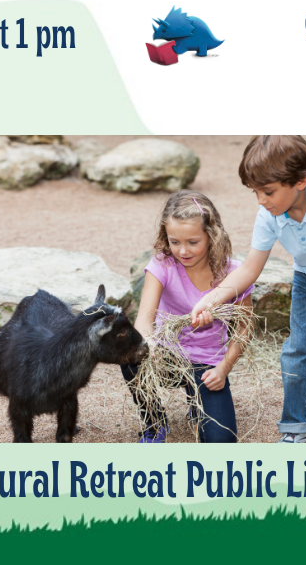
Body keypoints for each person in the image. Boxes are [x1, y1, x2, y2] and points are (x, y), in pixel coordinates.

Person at [191, 136, 306, 444]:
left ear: (300, 181)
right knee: (296, 352)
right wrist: (211, 298)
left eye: (267, 191)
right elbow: (250, 269)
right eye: (255, 192)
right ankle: (295, 428)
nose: (261, 200)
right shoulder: (269, 215)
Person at [122, 190, 254, 443]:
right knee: (129, 351)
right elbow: (143, 320)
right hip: (166, 356)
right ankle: (154, 421)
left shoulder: (234, 273)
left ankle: (198, 399)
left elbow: (245, 328)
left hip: (207, 364)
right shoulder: (162, 265)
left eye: (193, 242)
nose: (183, 251)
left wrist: (223, 369)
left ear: (212, 236)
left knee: (221, 442)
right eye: (174, 242)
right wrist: (149, 344)